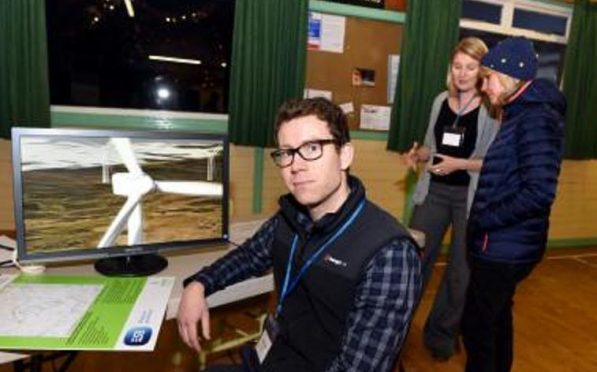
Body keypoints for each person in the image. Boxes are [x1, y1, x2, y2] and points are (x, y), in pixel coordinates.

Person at [177, 97, 422, 372]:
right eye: (287, 152)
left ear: (345, 155)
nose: (296, 165)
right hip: (275, 356)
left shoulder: (390, 253)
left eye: (312, 148)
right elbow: (249, 257)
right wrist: (198, 284)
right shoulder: (292, 216)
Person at [462, 37, 565, 372]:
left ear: (508, 77)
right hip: (500, 243)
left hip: (504, 247)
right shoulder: (518, 113)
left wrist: (485, 219)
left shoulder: (535, 118)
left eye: (488, 78)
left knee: (477, 328)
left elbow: (539, 191)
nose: (484, 86)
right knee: (495, 321)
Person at [402, 37, 498, 360]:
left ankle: (441, 335)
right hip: (434, 191)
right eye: (457, 66)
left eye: (470, 67)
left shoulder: (491, 110)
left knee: (460, 272)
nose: (462, 73)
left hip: (469, 197)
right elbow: (432, 146)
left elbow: (492, 161)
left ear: (482, 70)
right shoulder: (440, 100)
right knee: (413, 260)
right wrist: (419, 154)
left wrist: (460, 164)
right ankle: (396, 328)